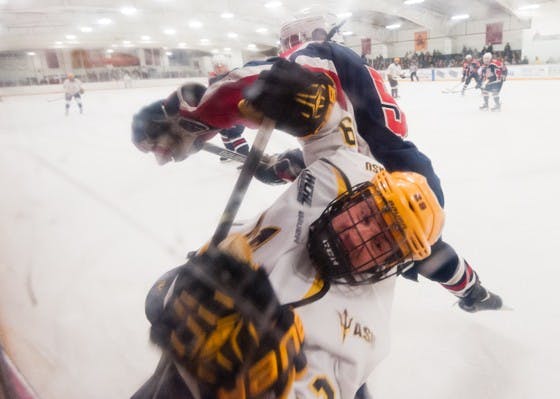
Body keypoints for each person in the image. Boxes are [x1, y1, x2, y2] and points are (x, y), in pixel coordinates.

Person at [131, 60, 447, 398]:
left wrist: (266, 383)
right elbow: (332, 127)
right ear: (360, 192)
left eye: (382, 242)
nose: (359, 235)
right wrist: (311, 104)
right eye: (368, 216)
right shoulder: (351, 171)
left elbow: (311, 389)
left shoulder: (361, 334)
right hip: (206, 289)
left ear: (393, 263)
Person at [208, 60, 250, 161]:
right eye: (216, 67)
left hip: (235, 111)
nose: (219, 68)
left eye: (221, 65)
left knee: (234, 133)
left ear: (227, 66)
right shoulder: (213, 80)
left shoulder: (235, 76)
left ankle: (246, 157)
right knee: (223, 132)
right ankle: (230, 153)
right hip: (221, 112)